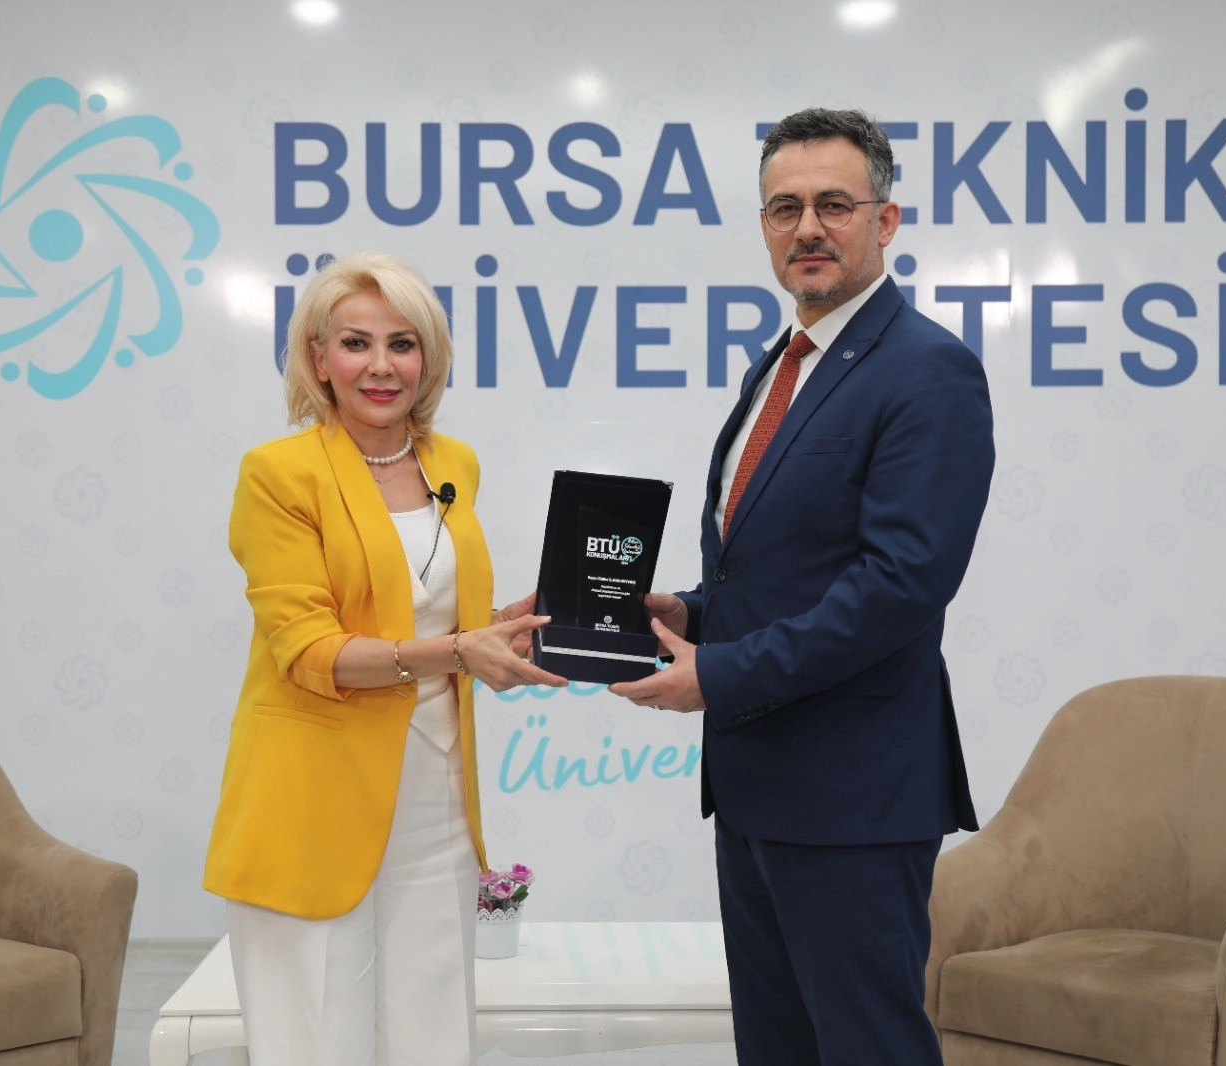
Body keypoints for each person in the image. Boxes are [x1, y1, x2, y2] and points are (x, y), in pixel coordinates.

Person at [610, 108, 995, 1064]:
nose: (807, 227)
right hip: (756, 785)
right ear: (763, 226)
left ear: (885, 220)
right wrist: (687, 612)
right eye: (785, 208)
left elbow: (900, 584)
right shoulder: (779, 368)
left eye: (833, 204)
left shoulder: (928, 371)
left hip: (853, 794)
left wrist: (718, 672)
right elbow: (777, 569)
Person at [203, 251, 565, 1066]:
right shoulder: (277, 474)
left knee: (436, 1036)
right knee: (314, 1041)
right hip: (312, 798)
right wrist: (458, 650)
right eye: (355, 343)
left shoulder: (453, 463)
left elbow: (427, 609)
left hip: (437, 794)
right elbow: (310, 650)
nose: (379, 366)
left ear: (428, 359)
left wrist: (501, 627)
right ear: (317, 358)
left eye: (401, 344)